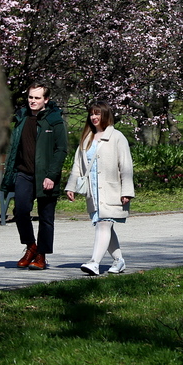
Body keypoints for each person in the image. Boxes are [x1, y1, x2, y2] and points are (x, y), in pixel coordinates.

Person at [1, 82, 68, 271]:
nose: (33, 101)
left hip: (46, 176)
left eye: (37, 98)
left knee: (46, 217)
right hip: (24, 173)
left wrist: (52, 176)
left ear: (46, 100)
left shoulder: (54, 120)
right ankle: (31, 247)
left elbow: (61, 149)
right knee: (20, 211)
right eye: (31, 97)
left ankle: (41, 256)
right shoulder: (21, 118)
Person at [66, 101, 134, 276]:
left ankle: (94, 262)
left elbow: (126, 166)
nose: (94, 117)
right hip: (93, 191)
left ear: (105, 115)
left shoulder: (117, 137)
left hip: (112, 191)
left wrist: (127, 191)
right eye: (91, 114)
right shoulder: (86, 138)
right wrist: (71, 187)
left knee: (104, 224)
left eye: (97, 114)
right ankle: (119, 261)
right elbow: (77, 166)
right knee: (105, 226)